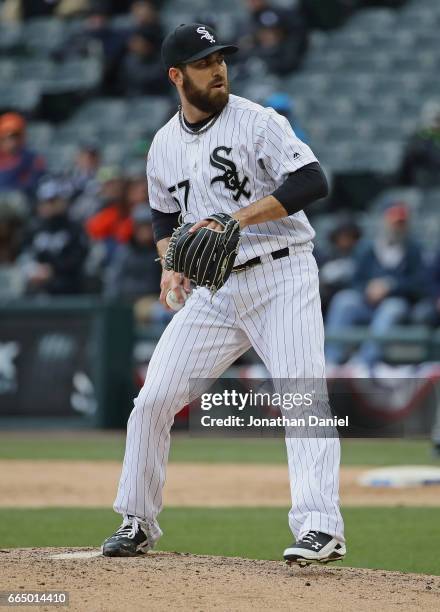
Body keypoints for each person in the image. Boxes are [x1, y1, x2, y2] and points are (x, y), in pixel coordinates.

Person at [101, 23, 346, 566]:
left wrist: (233, 220)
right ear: (176, 75)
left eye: (221, 59)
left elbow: (312, 181)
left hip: (281, 274)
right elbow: (163, 214)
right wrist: (168, 265)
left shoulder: (258, 122)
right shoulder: (163, 144)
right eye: (204, 62)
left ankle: (320, 527)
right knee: (153, 400)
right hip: (214, 291)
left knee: (302, 398)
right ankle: (136, 519)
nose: (217, 69)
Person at [325, 203, 425, 366]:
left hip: (397, 303)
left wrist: (390, 286)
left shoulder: (413, 250)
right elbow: (355, 281)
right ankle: (331, 360)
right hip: (367, 303)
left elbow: (418, 285)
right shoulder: (368, 248)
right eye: (394, 223)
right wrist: (368, 289)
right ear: (385, 222)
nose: (397, 228)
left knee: (391, 308)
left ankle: (364, 363)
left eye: (401, 223)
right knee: (344, 300)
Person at [21, 177, 88, 295]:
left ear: (63, 201)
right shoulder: (33, 229)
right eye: (44, 201)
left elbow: (78, 259)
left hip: (68, 289)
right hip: (36, 287)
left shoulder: (74, 228)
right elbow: (25, 255)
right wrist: (33, 270)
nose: (48, 206)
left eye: (52, 201)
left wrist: (52, 269)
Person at [0, 113, 46, 199]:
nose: (8, 140)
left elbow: (32, 185)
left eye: (13, 136)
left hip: (18, 199)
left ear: (21, 137)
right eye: (4, 136)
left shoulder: (32, 158)